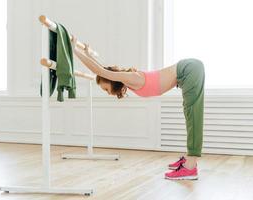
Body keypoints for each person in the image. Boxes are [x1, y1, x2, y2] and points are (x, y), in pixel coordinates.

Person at [71, 36, 205, 180]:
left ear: (111, 79)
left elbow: (101, 71)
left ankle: (190, 168)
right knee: (190, 113)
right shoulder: (128, 80)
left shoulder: (129, 77)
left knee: (193, 115)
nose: (108, 92)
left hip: (189, 69)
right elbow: (102, 70)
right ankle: (189, 161)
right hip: (188, 70)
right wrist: (87, 53)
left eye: (105, 89)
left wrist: (75, 51)